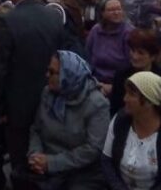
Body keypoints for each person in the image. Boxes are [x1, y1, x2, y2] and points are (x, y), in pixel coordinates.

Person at [0, 0, 66, 187]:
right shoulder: (53, 17)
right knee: (45, 158)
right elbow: (62, 58)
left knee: (21, 162)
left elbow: (0, 68)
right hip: (51, 100)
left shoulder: (8, 21)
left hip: (18, 104)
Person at [24, 50, 110, 190]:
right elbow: (36, 129)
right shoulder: (48, 94)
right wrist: (35, 155)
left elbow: (92, 149)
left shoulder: (97, 104)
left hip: (81, 172)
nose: (47, 75)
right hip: (45, 165)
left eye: (52, 72)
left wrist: (52, 163)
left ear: (68, 75)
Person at [102, 71, 161, 190]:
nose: (125, 98)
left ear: (149, 102)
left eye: (131, 94)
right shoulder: (120, 120)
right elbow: (107, 161)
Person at [86, 0, 132, 95]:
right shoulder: (95, 31)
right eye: (111, 10)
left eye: (119, 9)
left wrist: (113, 87)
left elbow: (131, 67)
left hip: (120, 86)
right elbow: (87, 59)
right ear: (102, 13)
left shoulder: (128, 33)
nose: (116, 13)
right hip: (95, 82)